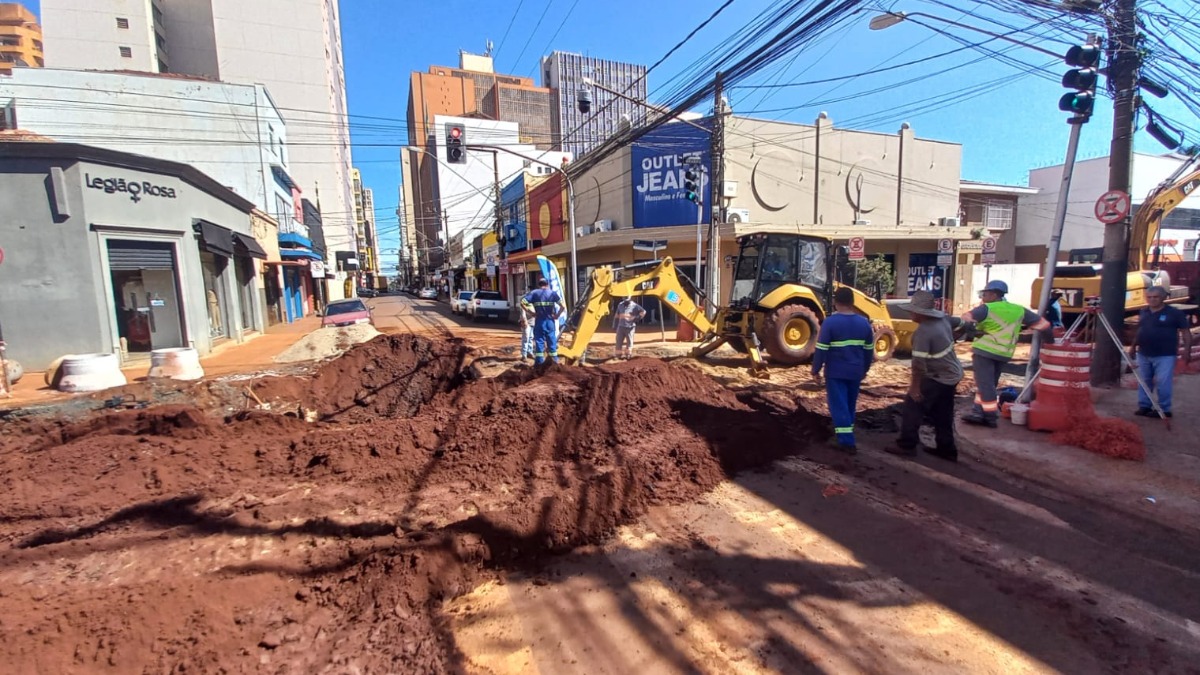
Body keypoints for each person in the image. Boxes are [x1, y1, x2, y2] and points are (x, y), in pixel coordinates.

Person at [960, 280, 1050, 428]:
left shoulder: (986, 308)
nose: (983, 296)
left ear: (994, 294)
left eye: (985, 293)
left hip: (985, 351)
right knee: (988, 384)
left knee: (985, 384)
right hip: (1004, 353)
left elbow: (965, 319)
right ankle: (978, 412)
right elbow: (1044, 326)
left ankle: (990, 416)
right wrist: (1050, 343)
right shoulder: (1018, 310)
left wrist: (972, 332)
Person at [890, 290, 963, 462]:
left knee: (913, 408)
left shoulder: (923, 333)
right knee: (943, 412)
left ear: (919, 312)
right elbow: (962, 323)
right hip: (952, 374)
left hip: (937, 376)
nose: (910, 314)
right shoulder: (943, 320)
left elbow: (918, 365)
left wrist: (915, 388)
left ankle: (906, 445)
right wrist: (954, 337)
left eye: (912, 311)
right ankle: (947, 449)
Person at [812, 287, 876, 454]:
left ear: (835, 302)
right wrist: (865, 369)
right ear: (853, 302)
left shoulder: (830, 322)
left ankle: (846, 441)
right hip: (856, 371)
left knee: (838, 405)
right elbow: (869, 350)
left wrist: (815, 370)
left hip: (836, 372)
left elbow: (821, 349)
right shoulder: (864, 323)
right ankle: (846, 432)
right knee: (849, 404)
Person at [1130, 285, 1192, 418]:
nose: (1152, 300)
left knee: (1163, 382)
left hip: (1165, 354)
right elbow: (1140, 330)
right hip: (1144, 353)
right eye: (1149, 297)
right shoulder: (1144, 312)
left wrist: (1187, 350)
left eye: (1156, 297)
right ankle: (1144, 406)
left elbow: (1186, 332)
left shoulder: (1174, 313)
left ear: (1163, 297)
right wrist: (1133, 346)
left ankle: (1164, 409)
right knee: (1144, 381)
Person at [523, 278, 564, 365]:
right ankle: (555, 363)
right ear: (547, 284)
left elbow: (522, 302)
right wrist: (557, 315)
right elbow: (563, 306)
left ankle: (539, 364)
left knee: (539, 342)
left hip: (539, 321)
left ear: (539, 285)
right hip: (550, 321)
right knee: (552, 342)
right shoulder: (552, 293)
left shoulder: (534, 293)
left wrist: (531, 313)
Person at [518, 296, 536, 361]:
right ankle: (524, 355)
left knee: (531, 338)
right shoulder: (524, 303)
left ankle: (529, 352)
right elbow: (523, 313)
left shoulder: (533, 303)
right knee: (526, 338)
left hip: (533, 323)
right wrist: (524, 321)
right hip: (526, 323)